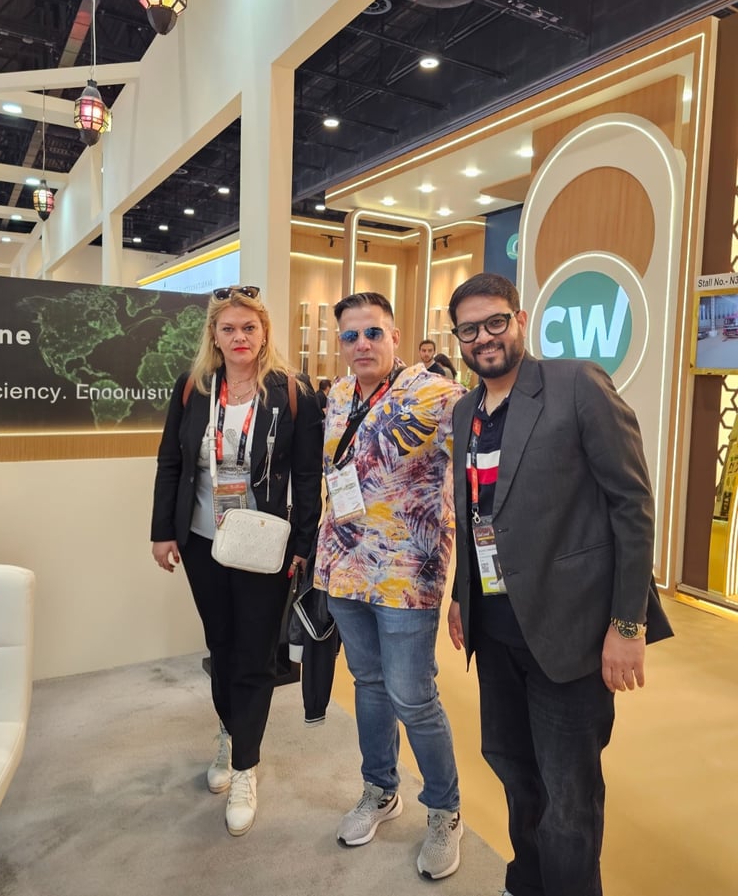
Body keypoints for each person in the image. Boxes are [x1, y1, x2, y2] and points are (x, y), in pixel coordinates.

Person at [446, 272, 673, 896]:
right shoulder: (466, 410)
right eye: (469, 330)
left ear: (520, 321)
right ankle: (526, 883)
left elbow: (632, 506)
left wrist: (627, 624)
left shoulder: (577, 385)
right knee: (514, 772)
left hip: (570, 633)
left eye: (496, 322)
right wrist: (463, 597)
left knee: (569, 797)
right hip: (495, 632)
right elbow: (475, 515)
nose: (484, 338)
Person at [151, 285, 323, 837]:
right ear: (215, 335)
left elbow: (307, 475)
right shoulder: (193, 387)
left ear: (264, 332)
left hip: (264, 544)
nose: (240, 337)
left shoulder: (292, 392)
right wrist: (163, 532)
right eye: (229, 328)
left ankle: (246, 765)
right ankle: (230, 731)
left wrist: (304, 543)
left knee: (255, 654)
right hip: (202, 541)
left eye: (249, 327)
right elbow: (171, 463)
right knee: (221, 646)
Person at [314, 291, 466, 880]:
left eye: (373, 332)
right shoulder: (337, 395)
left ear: (395, 336)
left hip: (408, 574)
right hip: (345, 566)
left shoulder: (438, 394)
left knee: (413, 695)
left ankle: (445, 810)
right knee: (369, 685)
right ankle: (380, 789)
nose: (362, 345)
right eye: (351, 336)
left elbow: (474, 470)